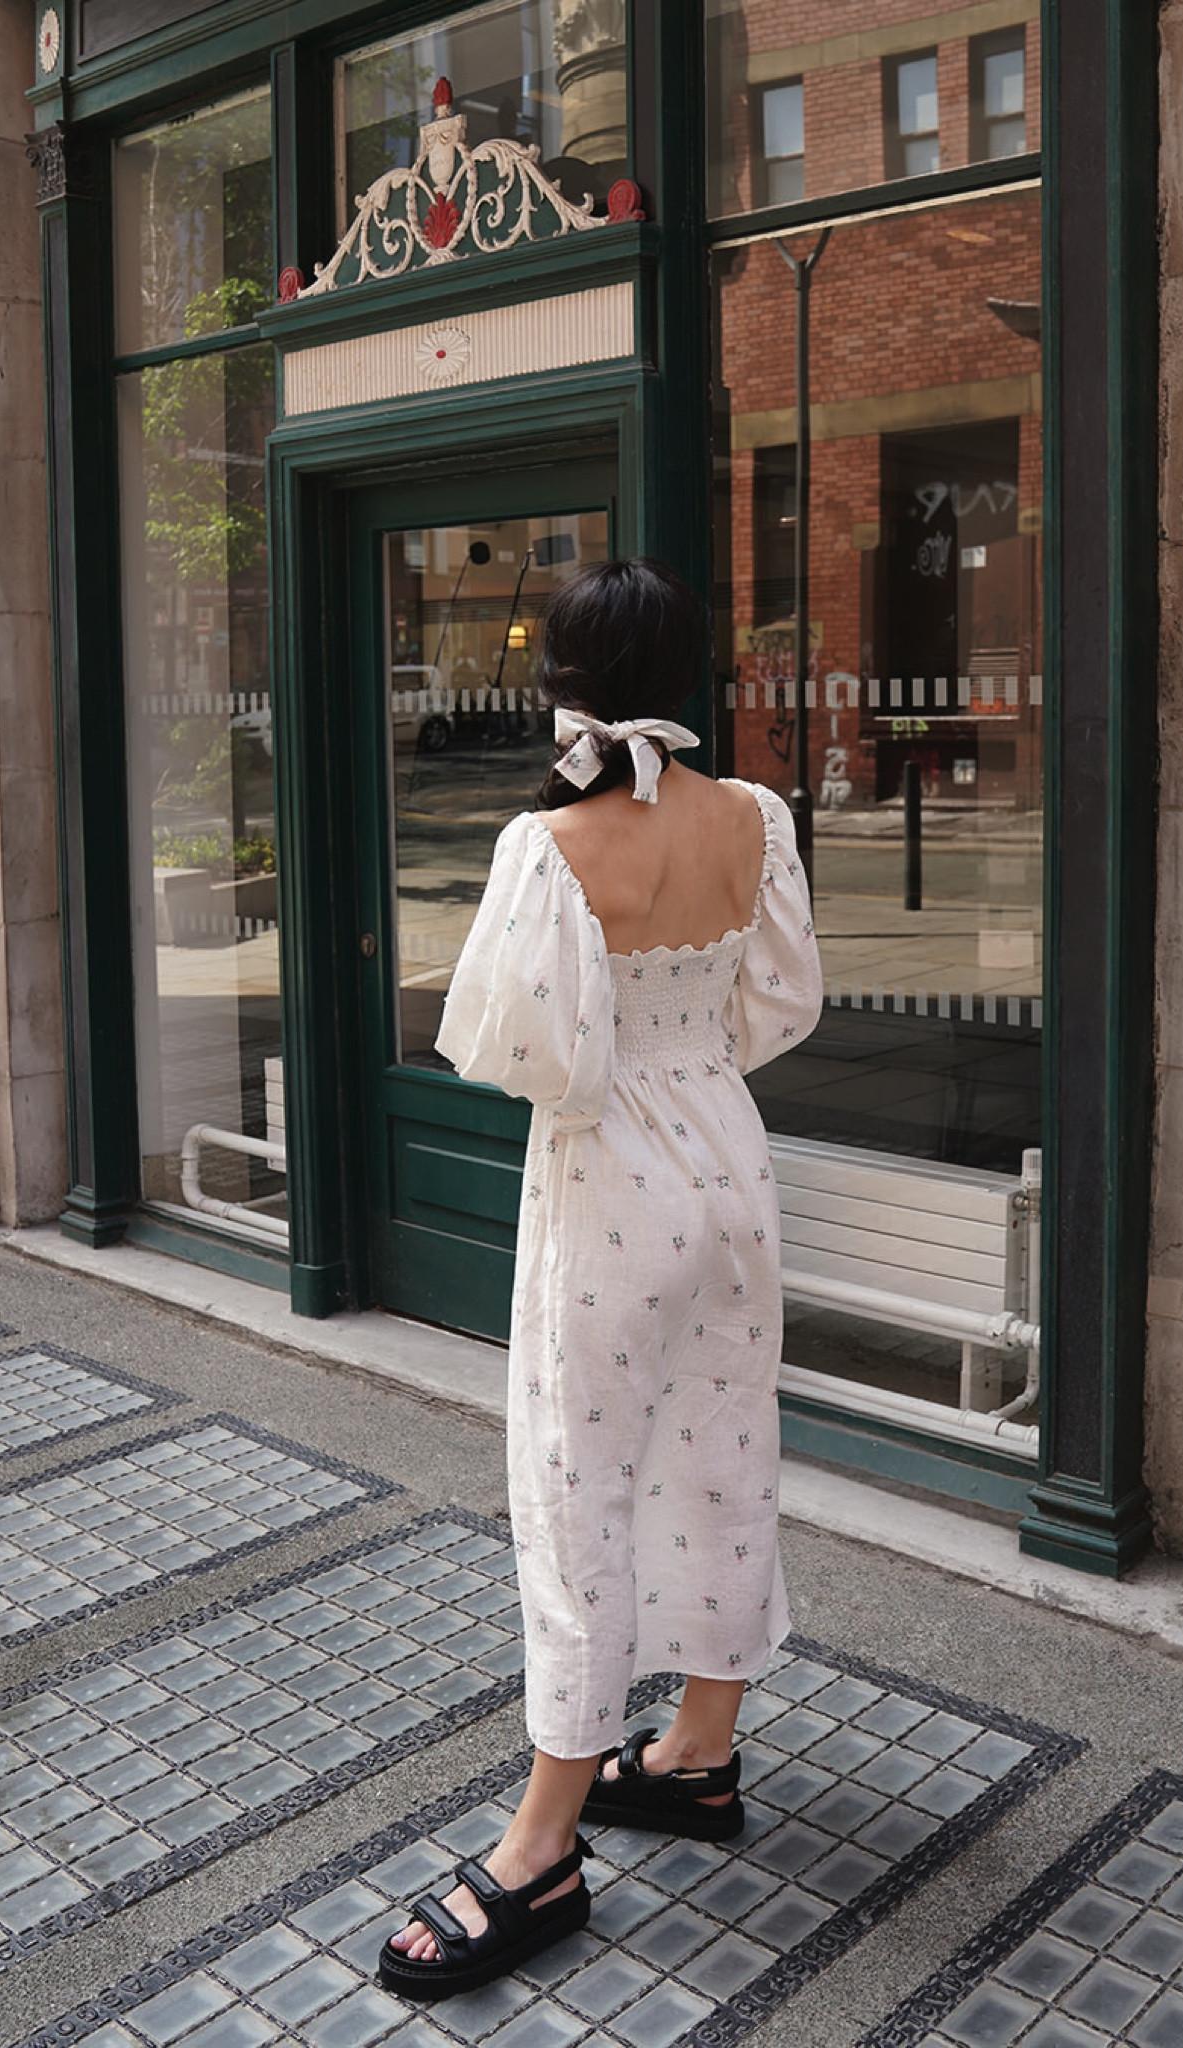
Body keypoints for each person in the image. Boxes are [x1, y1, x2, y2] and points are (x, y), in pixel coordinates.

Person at [378, 558, 822, 2002]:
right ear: (685, 674)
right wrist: (686, 1060)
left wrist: (623, 1062)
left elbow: (515, 1049)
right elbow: (781, 1004)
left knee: (579, 1488)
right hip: (730, 1163)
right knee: (724, 1447)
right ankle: (698, 1749)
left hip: (607, 1171)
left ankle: (542, 1846)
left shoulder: (552, 842)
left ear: (562, 679)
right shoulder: (754, 816)